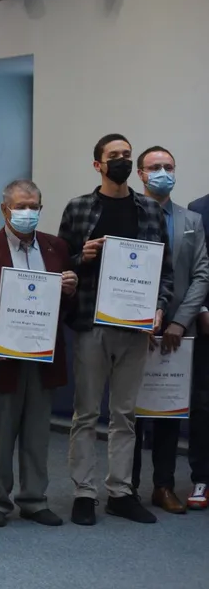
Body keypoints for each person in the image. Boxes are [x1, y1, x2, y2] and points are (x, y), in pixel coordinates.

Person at [58, 133, 173, 526]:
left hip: (136, 327)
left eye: (127, 154)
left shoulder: (151, 210)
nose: (122, 160)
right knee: (86, 413)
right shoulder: (78, 208)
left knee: (125, 414)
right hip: (91, 322)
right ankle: (83, 493)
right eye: (114, 155)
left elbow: (165, 270)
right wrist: (83, 256)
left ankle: (121, 492)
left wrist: (159, 307)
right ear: (98, 164)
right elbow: (61, 267)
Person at [0, 180, 77, 528]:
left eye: (33, 206)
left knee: (37, 432)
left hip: (43, 354)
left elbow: (64, 308)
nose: (27, 212)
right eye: (20, 206)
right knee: (1, 432)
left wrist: (70, 290)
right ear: (5, 210)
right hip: (2, 355)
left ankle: (34, 499)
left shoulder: (57, 247)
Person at [131, 147, 208, 513]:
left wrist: (179, 321)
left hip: (179, 332)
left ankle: (163, 486)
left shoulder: (192, 219)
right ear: (141, 174)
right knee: (129, 413)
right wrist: (138, 320)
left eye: (169, 166)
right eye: (155, 167)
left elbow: (201, 274)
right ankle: (125, 487)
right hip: (133, 330)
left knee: (168, 410)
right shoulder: (127, 214)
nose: (163, 172)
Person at [188, 190, 209, 509]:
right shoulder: (200, 209)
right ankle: (202, 478)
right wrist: (202, 309)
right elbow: (197, 266)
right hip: (207, 323)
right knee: (204, 403)